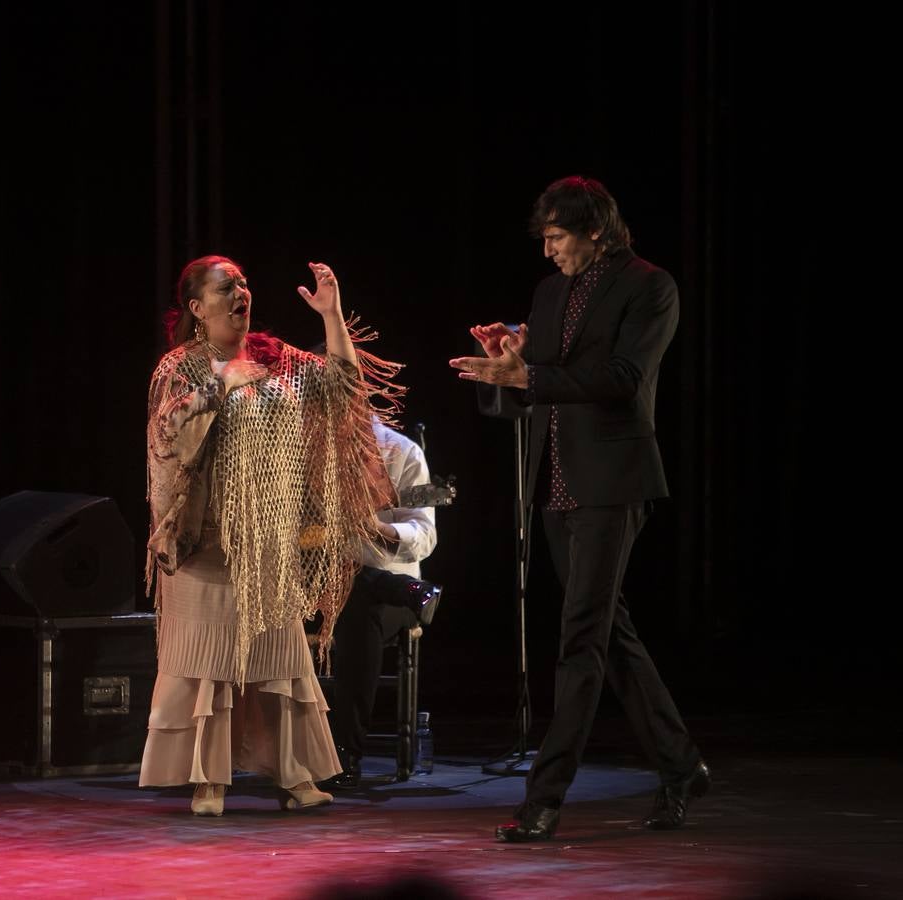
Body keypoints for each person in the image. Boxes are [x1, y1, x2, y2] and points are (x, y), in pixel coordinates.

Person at [449, 176, 706, 841]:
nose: (549, 252)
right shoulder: (551, 291)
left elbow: (622, 380)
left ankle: (545, 798)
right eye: (545, 240)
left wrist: (528, 376)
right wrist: (507, 365)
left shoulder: (651, 287)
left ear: (595, 231)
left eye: (558, 238)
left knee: (581, 637)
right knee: (608, 633)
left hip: (612, 481)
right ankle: (681, 766)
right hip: (556, 484)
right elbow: (534, 385)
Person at [139, 255, 400, 816]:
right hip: (206, 542)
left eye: (244, 283)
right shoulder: (180, 367)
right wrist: (219, 384)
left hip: (271, 540)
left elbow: (343, 387)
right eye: (225, 286)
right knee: (208, 659)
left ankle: (292, 774)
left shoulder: (278, 360)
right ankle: (208, 781)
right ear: (197, 307)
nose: (241, 292)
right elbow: (167, 439)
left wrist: (332, 316)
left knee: (277, 658)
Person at [322, 417, 440, 789]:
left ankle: (346, 751)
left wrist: (380, 528)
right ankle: (401, 588)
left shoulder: (399, 451)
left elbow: (425, 534)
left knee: (358, 605)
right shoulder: (291, 446)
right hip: (309, 588)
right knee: (347, 586)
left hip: (371, 601)